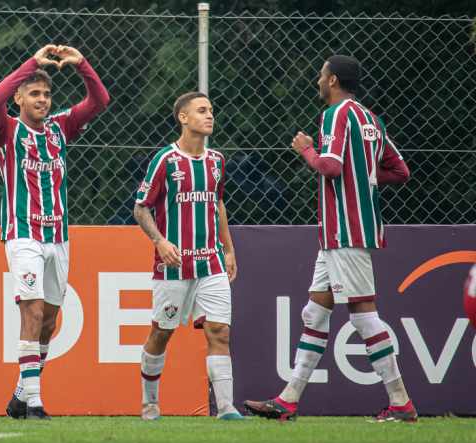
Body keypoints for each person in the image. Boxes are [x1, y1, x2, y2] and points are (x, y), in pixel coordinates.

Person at [245, 55, 415, 422]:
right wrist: (364, 181)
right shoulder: (371, 119)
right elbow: (400, 170)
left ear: (333, 80)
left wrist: (306, 148)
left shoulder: (335, 115)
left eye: (321, 75)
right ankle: (287, 400)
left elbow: (331, 166)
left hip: (344, 230)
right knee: (315, 312)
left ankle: (401, 403)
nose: (317, 81)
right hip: (344, 231)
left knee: (364, 317)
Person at [0, 44, 109, 420]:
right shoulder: (6, 129)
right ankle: (36, 403)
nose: (42, 99)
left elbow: (100, 100)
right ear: (20, 96)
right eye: (34, 93)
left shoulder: (60, 127)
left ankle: (21, 394)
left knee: (51, 320)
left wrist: (82, 64)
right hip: (23, 234)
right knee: (33, 311)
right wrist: (31, 65)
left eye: (46, 94)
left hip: (59, 236)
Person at [133, 92, 245, 421]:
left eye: (211, 110)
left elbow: (218, 204)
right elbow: (141, 208)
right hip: (173, 266)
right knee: (161, 333)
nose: (209, 115)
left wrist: (228, 248)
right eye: (201, 110)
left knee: (219, 332)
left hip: (210, 262)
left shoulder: (216, 161)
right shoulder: (165, 161)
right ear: (183, 117)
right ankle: (149, 401)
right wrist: (160, 241)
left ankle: (226, 408)